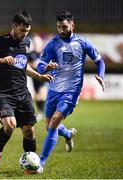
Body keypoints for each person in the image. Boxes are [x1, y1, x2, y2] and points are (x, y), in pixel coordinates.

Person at [0, 10, 53, 171]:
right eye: (22, 30)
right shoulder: (0, 42)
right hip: (3, 94)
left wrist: (39, 76)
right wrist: (1, 60)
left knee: (29, 131)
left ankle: (31, 165)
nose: (24, 34)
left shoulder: (26, 43)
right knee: (10, 125)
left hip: (22, 92)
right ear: (14, 26)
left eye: (27, 31)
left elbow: (23, 65)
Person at [35, 11, 105, 173]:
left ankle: (41, 163)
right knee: (49, 126)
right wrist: (45, 67)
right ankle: (67, 134)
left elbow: (99, 61)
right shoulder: (53, 44)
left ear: (72, 25)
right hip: (53, 90)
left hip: (71, 91)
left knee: (53, 123)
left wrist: (101, 75)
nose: (61, 30)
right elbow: (40, 65)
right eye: (59, 27)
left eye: (64, 27)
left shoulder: (82, 42)